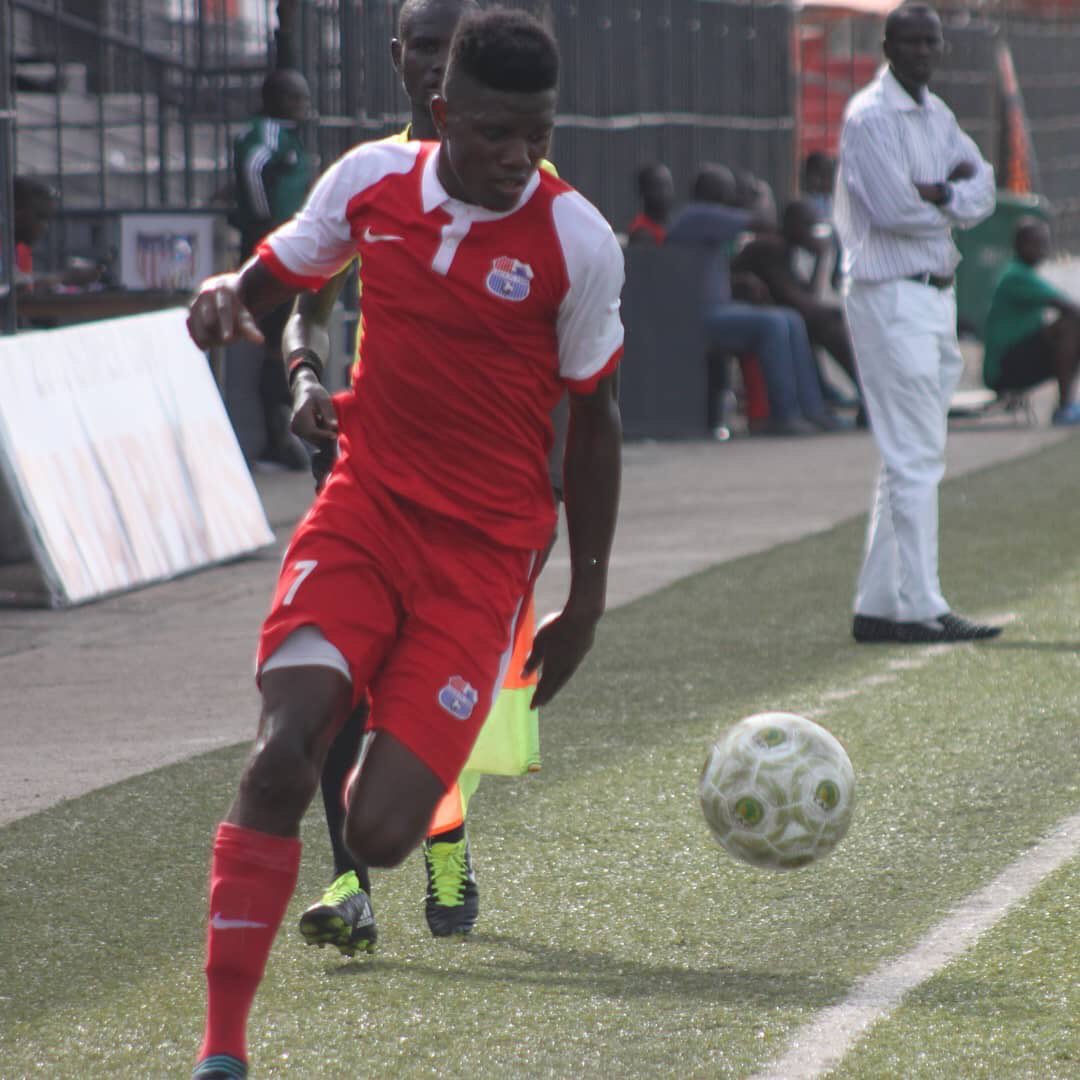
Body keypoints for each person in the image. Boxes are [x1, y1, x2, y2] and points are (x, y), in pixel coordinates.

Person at [185, 11, 623, 1079]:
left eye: (537, 131)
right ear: (442, 115)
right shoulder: (371, 182)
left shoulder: (578, 242)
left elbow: (596, 423)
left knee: (381, 833)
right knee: (279, 757)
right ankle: (221, 1050)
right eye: (494, 134)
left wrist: (587, 600)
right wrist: (229, 304)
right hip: (367, 510)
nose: (517, 156)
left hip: (484, 558)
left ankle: (395, 717)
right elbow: (285, 274)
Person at [283, 0, 566, 952]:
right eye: (427, 44)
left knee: (424, 699)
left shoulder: (525, 180)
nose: (439, 59)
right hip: (364, 456)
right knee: (336, 689)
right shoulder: (366, 175)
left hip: (479, 495)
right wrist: (304, 373)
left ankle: (444, 841)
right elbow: (306, 298)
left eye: (458, 42)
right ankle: (348, 881)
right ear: (401, 57)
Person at [836, 2, 1001, 645]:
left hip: (935, 295)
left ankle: (881, 606)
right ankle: (923, 606)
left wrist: (942, 192)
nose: (921, 52)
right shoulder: (869, 117)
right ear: (887, 44)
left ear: (941, 48)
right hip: (889, 294)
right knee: (916, 458)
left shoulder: (939, 115)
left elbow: (982, 187)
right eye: (909, 41)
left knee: (908, 457)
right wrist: (942, 194)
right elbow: (894, 208)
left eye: (930, 42)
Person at [666, 163, 845, 436]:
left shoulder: (704, 222)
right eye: (727, 191)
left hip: (714, 309)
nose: (732, 196)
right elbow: (761, 223)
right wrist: (756, 201)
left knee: (791, 319)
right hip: (696, 316)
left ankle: (812, 410)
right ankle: (783, 415)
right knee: (773, 324)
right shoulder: (697, 215)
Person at [230, 67, 314, 470]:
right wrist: (265, 222)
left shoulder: (290, 136)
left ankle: (282, 431)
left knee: (285, 338)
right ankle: (272, 435)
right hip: (270, 252)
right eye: (296, 98)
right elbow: (252, 167)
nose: (304, 107)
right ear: (275, 99)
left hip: (290, 251)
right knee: (271, 343)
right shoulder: (268, 132)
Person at [732, 199, 862, 410]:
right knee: (827, 326)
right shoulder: (771, 247)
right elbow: (798, 303)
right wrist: (831, 313)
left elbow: (804, 297)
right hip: (756, 318)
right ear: (793, 225)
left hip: (778, 316)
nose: (814, 234)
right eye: (809, 227)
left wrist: (821, 260)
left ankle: (833, 394)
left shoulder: (785, 248)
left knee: (825, 323)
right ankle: (856, 395)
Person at [982, 217, 1080, 426]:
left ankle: (1067, 406)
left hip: (1017, 359)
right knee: (1070, 326)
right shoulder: (1015, 275)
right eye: (1038, 243)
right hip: (1004, 368)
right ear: (1020, 244)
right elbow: (1068, 307)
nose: (1044, 249)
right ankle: (1065, 408)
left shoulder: (1023, 273)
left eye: (1046, 242)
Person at [627, 162, 675, 245]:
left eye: (668, 186)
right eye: (657, 186)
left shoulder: (676, 225)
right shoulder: (641, 233)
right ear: (643, 191)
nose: (664, 192)